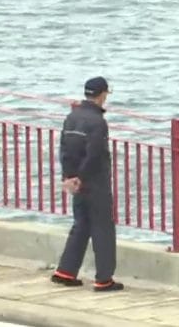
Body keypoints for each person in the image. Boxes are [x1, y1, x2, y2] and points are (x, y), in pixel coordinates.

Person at [51, 76, 124, 292]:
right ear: (102, 95)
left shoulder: (72, 117)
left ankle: (65, 271)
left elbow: (64, 149)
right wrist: (81, 176)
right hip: (95, 181)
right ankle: (104, 279)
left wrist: (69, 177)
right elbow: (94, 154)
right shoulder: (98, 122)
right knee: (103, 228)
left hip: (75, 181)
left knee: (81, 224)